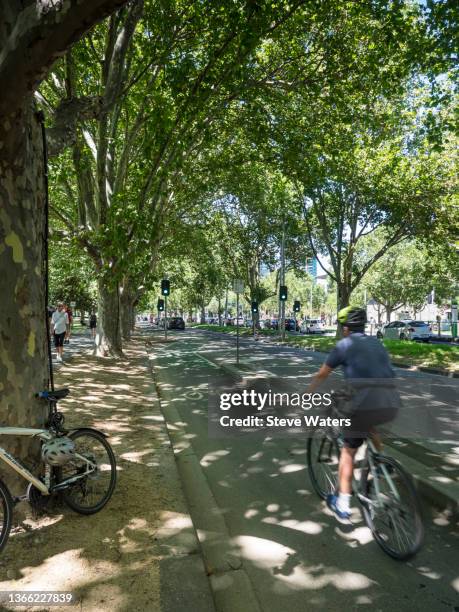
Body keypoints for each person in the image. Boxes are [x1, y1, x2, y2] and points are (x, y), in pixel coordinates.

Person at [308, 306, 400, 521]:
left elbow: (323, 373)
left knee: (348, 451)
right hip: (391, 403)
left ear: (345, 327)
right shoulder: (377, 343)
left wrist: (307, 392)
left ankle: (343, 504)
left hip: (364, 403)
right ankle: (381, 462)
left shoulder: (344, 345)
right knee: (369, 422)